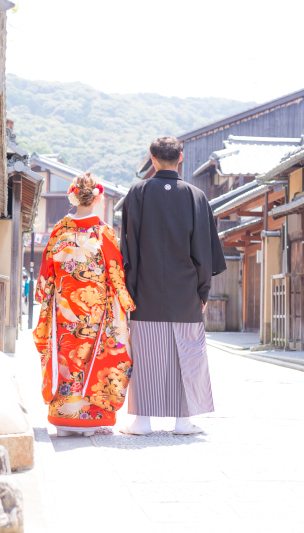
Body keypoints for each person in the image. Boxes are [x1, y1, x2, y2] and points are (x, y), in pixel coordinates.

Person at [120, 136, 226, 435]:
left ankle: (142, 421)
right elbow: (204, 252)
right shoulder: (195, 196)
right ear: (180, 158)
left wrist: (130, 290)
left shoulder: (137, 192)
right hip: (186, 293)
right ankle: (183, 421)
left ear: (152, 159)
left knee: (146, 355)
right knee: (187, 355)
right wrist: (203, 291)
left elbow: (129, 248)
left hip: (145, 291)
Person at [33, 173, 135, 437]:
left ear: (73, 195)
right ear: (98, 198)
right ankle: (87, 420)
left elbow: (46, 272)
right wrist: (123, 300)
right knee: (91, 359)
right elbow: (114, 272)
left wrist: (46, 298)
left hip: (64, 309)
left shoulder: (59, 230)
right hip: (94, 309)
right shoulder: (104, 232)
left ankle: (63, 417)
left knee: (65, 356)